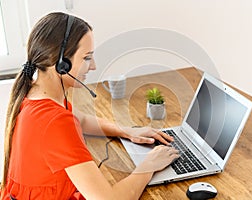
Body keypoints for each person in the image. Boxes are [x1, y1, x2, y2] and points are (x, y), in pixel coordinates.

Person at [0, 12, 179, 200]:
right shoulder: (54, 121)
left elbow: (82, 120)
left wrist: (127, 131)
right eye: (86, 58)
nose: (93, 66)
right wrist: (147, 166)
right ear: (61, 64)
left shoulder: (35, 93)